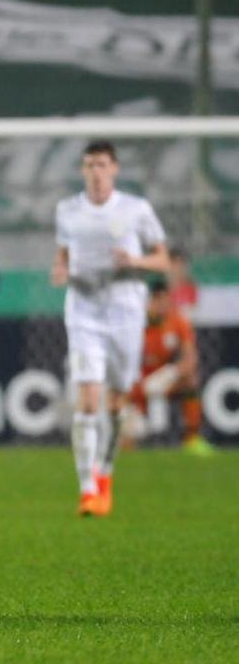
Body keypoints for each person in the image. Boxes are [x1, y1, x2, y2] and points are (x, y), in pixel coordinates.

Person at [51, 140, 168, 517]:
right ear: (83, 170)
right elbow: (62, 259)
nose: (95, 172)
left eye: (101, 164)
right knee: (87, 399)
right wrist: (61, 271)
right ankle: (87, 488)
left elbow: (163, 259)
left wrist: (136, 260)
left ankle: (106, 472)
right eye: (89, 165)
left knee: (117, 404)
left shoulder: (136, 210)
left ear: (114, 169)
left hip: (126, 313)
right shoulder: (67, 210)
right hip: (84, 312)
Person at [129, 279, 214, 456]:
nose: (162, 305)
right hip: (134, 390)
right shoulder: (133, 324)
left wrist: (171, 374)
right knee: (129, 440)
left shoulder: (177, 321)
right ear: (148, 301)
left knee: (191, 381)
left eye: (165, 299)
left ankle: (191, 440)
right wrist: (142, 388)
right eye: (157, 300)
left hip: (162, 383)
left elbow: (190, 358)